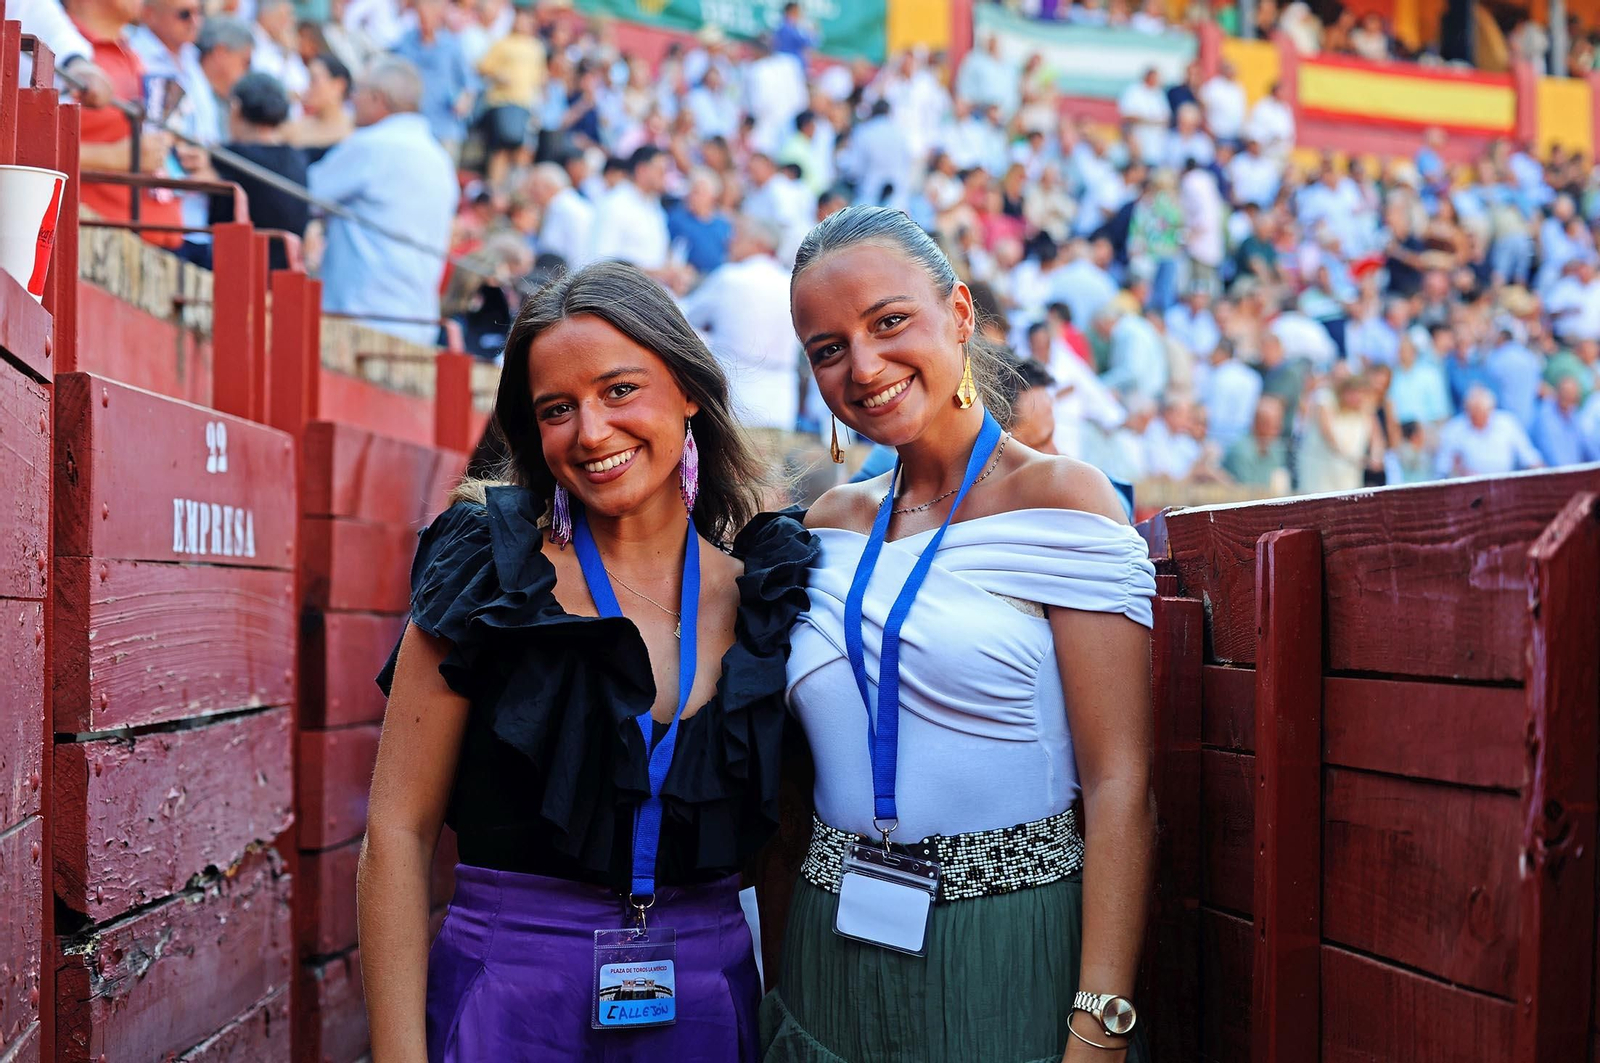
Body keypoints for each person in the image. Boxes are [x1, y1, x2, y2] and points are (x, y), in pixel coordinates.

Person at [361, 261, 817, 1061]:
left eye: (619, 390)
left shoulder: (769, 595)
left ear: (688, 390)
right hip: (508, 1009)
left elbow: (783, 853)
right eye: (557, 409)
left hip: (709, 1015)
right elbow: (398, 833)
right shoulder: (485, 573)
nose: (592, 432)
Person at [764, 206, 1156, 1062]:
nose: (864, 366)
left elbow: (1120, 782)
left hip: (1009, 947)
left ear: (961, 312)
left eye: (888, 322)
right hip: (829, 942)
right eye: (828, 349)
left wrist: (1099, 1023)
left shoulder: (1064, 498)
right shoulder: (827, 523)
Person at [308, 56, 457, 346]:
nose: (352, 99)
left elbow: (305, 192)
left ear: (378, 99)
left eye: (358, 91)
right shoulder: (439, 158)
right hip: (416, 321)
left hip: (361, 319)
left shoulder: (372, 144)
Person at [679, 217, 800, 435]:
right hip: (781, 403)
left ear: (758, 244)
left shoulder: (730, 278)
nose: (730, 241)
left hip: (736, 398)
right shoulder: (792, 285)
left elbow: (685, 317)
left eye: (739, 236)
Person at [207, 72, 309, 272]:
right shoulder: (297, 157)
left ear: (236, 108)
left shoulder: (231, 156)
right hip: (286, 272)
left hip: (238, 270)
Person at [1435, 385, 1544, 476]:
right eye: (1473, 414)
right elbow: (1442, 469)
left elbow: (1530, 458)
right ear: (1467, 411)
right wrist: (1458, 472)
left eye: (1482, 414)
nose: (1478, 419)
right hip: (1467, 489)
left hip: (1505, 484)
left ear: (1491, 410)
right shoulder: (1453, 429)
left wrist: (1543, 476)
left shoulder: (1507, 423)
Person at [284, 52, 353, 160]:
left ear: (338, 85)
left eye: (314, 80)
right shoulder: (295, 127)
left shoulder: (354, 134)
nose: (308, 88)